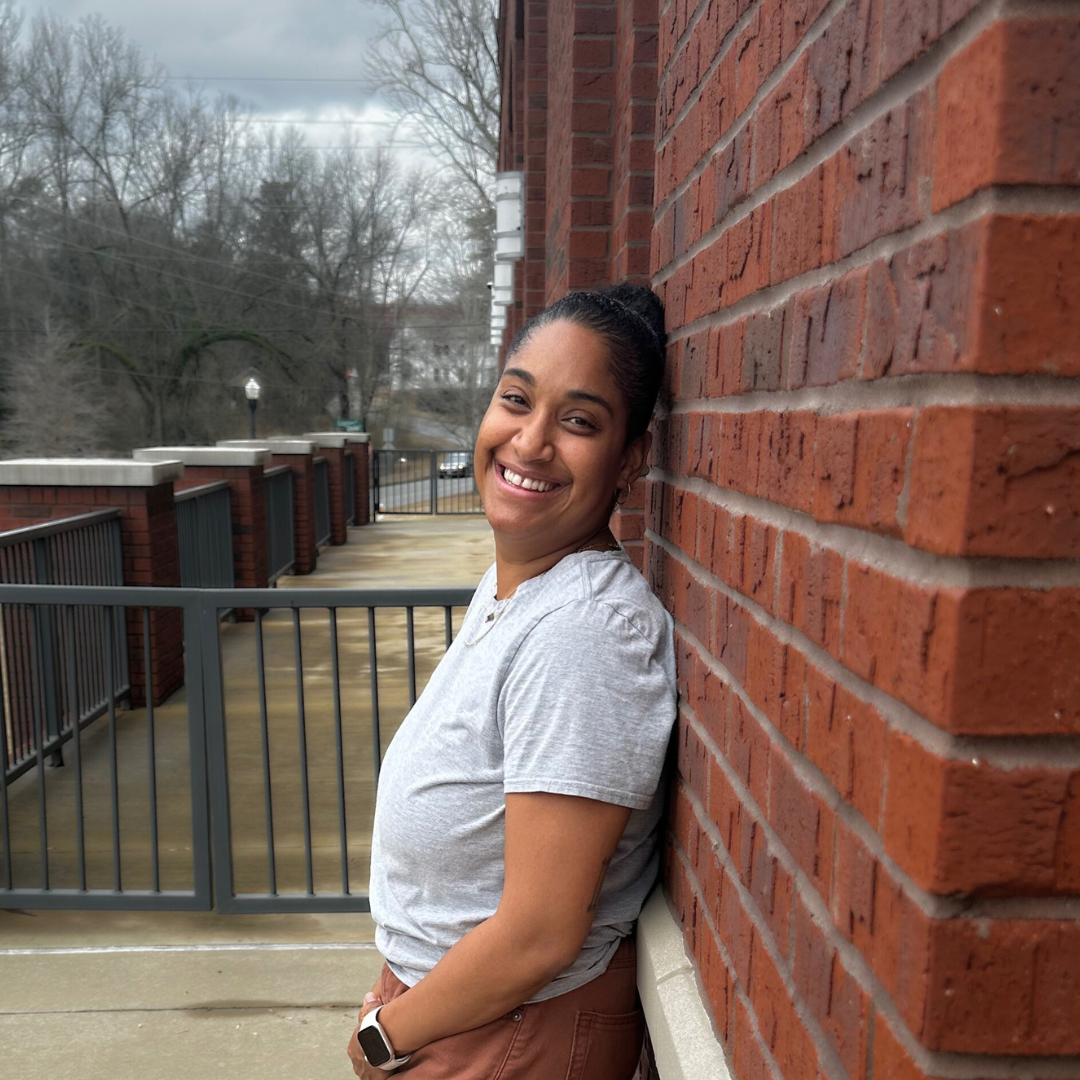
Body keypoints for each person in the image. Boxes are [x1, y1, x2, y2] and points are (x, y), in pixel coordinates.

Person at [347, 283, 677, 1079]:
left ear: (630, 458)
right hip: (458, 1014)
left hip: (508, 1034)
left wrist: (384, 1036)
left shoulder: (584, 632)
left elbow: (539, 934)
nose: (529, 442)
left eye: (579, 421)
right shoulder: (520, 589)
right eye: (517, 400)